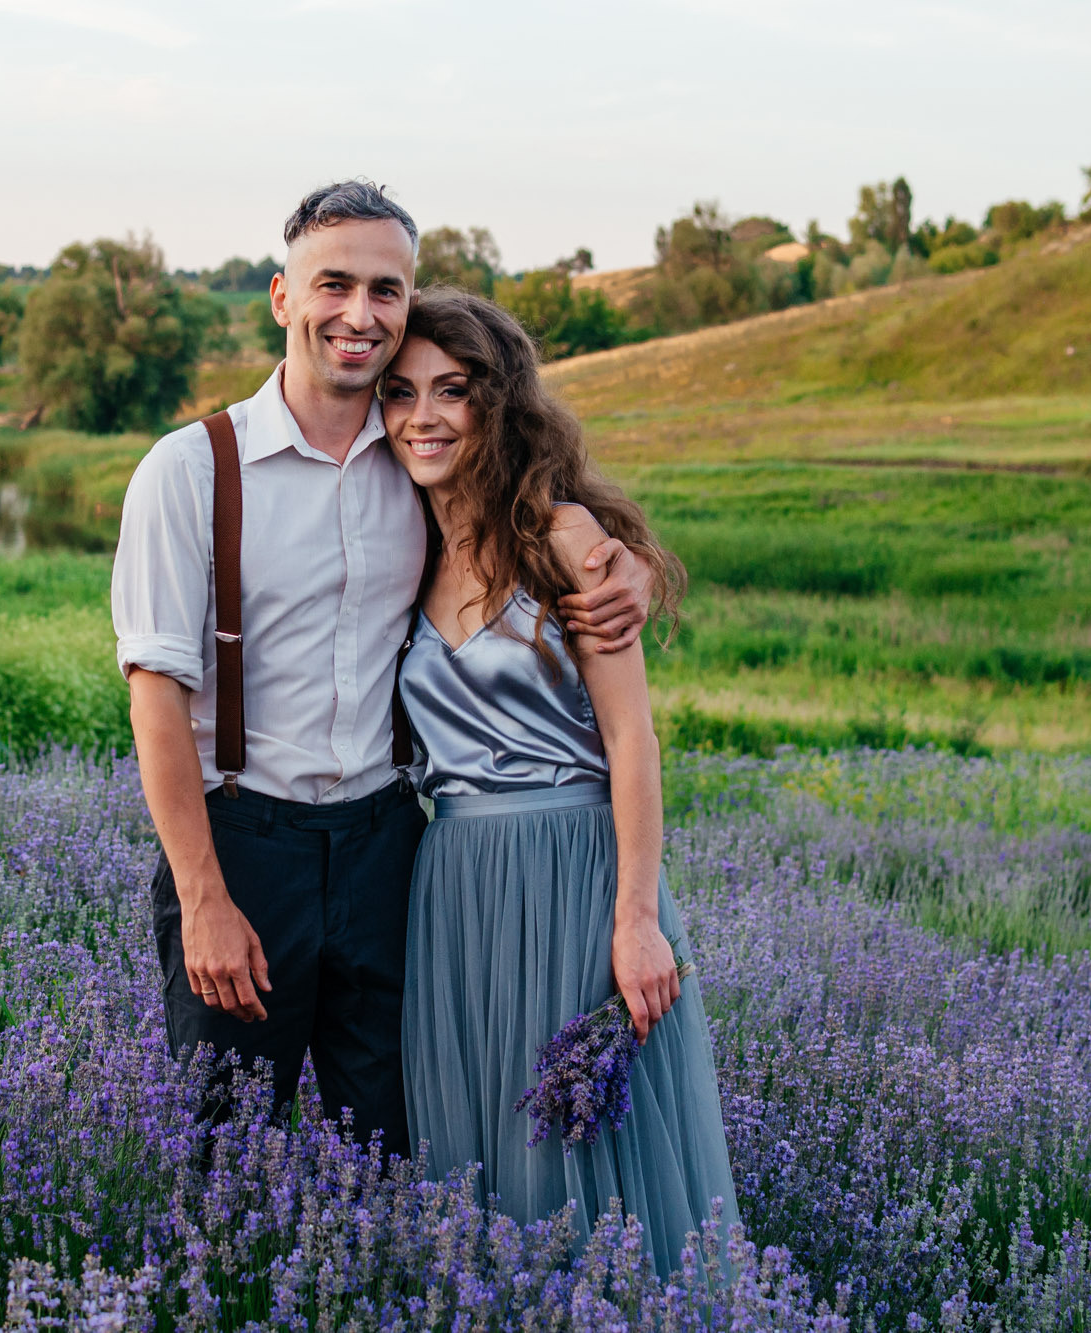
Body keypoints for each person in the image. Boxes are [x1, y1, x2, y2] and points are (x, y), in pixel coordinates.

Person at [111, 181, 656, 1152]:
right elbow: (154, 698)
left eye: (384, 289)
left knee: (402, 1143)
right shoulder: (188, 470)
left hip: (388, 848)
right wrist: (203, 900)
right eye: (333, 284)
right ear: (282, 297)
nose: (358, 315)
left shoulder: (418, 459)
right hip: (245, 844)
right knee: (222, 1146)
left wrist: (634, 575)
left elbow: (548, 524)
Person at [383, 286, 739, 1268]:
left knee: (584, 1149)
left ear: (495, 403)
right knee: (480, 1148)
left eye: (450, 390)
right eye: (399, 392)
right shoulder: (398, 547)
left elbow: (631, 740)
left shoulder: (564, 539)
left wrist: (636, 919)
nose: (422, 416)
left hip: (573, 872)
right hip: (452, 883)